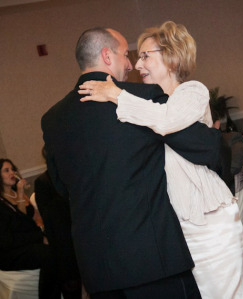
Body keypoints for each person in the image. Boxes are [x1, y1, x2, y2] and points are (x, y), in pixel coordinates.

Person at [42, 27, 222, 299]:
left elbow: (61, 188)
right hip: (153, 260)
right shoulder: (143, 96)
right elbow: (205, 148)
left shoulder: (52, 119)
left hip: (98, 270)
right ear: (106, 56)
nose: (130, 64)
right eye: (126, 55)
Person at [78, 21, 243, 299]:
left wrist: (116, 94)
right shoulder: (143, 103)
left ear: (171, 56)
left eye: (146, 55)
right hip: (178, 231)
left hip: (211, 224)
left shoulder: (192, 91)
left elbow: (167, 121)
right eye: (136, 56)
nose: (137, 64)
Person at [0, 158, 60, 298]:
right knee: (48, 254)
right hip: (11, 250)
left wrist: (44, 230)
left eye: (13, 169)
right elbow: (18, 226)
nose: (12, 173)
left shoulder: (18, 194)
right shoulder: (2, 202)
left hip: (28, 240)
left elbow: (34, 218)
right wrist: (39, 237)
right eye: (6, 170)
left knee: (59, 244)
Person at [34, 149, 82, 299]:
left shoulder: (72, 176)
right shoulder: (42, 182)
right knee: (71, 286)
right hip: (63, 243)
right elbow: (50, 220)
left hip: (79, 236)